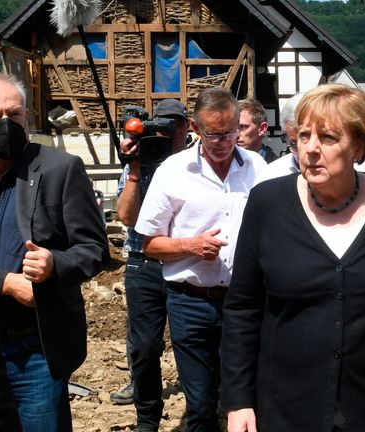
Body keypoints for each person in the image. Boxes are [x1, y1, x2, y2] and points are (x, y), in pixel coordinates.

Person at [221, 84, 365, 431]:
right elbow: (243, 308)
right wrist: (239, 401)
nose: (311, 149)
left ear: (360, 147)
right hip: (288, 408)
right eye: (304, 136)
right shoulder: (266, 204)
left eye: (329, 138)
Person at [135, 87, 267, 431]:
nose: (223, 142)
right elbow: (149, 244)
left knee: (246, 402)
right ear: (194, 126)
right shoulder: (173, 171)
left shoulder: (258, 168)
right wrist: (191, 246)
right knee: (201, 405)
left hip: (244, 303)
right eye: (212, 134)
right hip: (189, 303)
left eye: (230, 133)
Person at [0, 72, 108, 430]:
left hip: (35, 349)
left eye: (13, 115)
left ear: (26, 117)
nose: (5, 124)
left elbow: (95, 249)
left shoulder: (60, 169)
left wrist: (55, 263)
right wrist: (6, 282)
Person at [110, 99, 190, 430]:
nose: (167, 133)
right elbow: (128, 218)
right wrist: (135, 168)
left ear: (187, 129)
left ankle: (201, 405)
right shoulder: (140, 160)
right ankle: (147, 418)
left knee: (192, 342)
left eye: (175, 126)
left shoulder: (196, 164)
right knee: (144, 348)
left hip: (187, 261)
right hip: (144, 263)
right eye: (162, 126)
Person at [255, 91, 365, 185]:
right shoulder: (270, 176)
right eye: (294, 142)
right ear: (284, 134)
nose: (308, 149)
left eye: (325, 138)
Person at [237, 98, 277, 163]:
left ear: (262, 129)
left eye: (243, 127)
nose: (236, 134)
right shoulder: (222, 165)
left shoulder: (278, 169)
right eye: (232, 128)